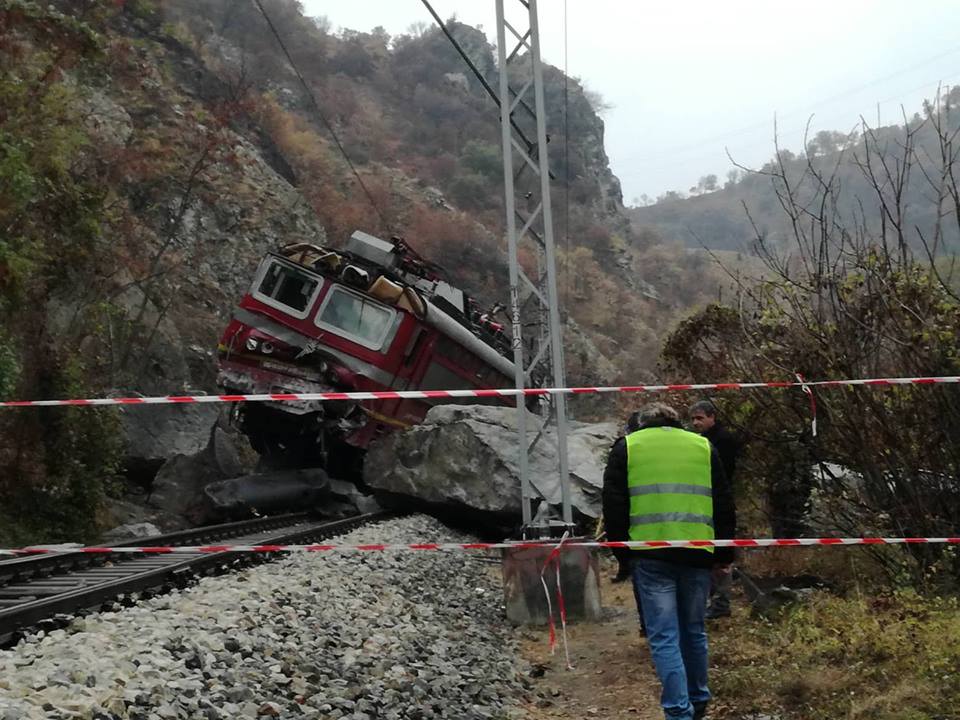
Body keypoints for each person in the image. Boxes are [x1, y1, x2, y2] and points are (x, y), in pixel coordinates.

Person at [602, 402, 736, 720]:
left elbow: (614, 504)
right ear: (677, 422)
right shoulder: (703, 446)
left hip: (650, 554)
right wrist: (724, 554)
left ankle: (678, 710)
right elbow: (723, 502)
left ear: (641, 423)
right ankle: (699, 699)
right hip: (698, 551)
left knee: (664, 635)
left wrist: (623, 555)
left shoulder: (627, 447)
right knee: (694, 630)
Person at [689, 400, 741, 620]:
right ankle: (713, 600)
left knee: (720, 556)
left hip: (717, 503)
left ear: (712, 417)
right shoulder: (701, 441)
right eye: (693, 418)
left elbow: (723, 476)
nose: (695, 423)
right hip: (704, 502)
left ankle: (721, 602)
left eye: (700, 418)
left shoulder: (722, 441)